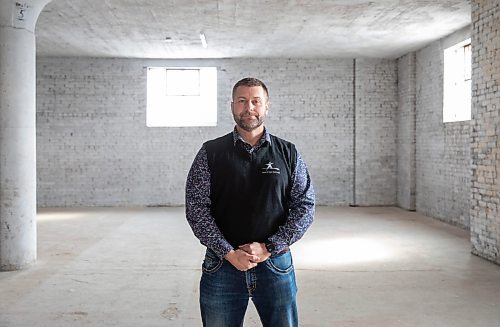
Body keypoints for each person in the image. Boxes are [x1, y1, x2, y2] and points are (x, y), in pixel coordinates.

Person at [185, 77, 315, 327]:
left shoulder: (288, 153)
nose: (249, 108)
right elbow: (197, 209)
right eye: (242, 101)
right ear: (232, 105)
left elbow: (305, 206)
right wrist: (229, 253)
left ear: (267, 106)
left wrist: (269, 247)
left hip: (276, 265)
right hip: (222, 266)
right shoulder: (210, 152)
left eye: (256, 101)